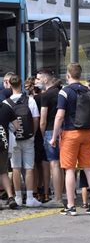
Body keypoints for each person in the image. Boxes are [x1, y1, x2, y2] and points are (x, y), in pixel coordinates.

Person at [50, 63, 90, 216]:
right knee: (88, 168)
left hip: (70, 133)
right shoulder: (88, 90)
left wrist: (53, 137)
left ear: (68, 75)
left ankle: (71, 206)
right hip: (87, 133)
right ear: (80, 75)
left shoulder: (64, 92)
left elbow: (60, 116)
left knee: (70, 169)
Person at [3, 75, 42, 207]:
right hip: (28, 137)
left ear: (9, 85)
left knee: (15, 168)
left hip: (13, 139)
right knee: (29, 167)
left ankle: (18, 197)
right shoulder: (30, 100)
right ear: (20, 84)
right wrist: (33, 133)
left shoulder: (6, 102)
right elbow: (36, 119)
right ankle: (30, 198)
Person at [38, 69, 64, 208]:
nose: (38, 81)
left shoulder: (46, 95)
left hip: (49, 130)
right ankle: (62, 193)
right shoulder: (60, 92)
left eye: (39, 78)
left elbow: (43, 119)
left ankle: (58, 197)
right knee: (62, 165)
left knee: (54, 164)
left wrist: (41, 135)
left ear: (45, 80)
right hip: (63, 130)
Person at [25, 76, 50, 203]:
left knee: (34, 164)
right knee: (44, 164)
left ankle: (35, 191)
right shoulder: (46, 97)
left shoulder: (31, 100)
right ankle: (45, 192)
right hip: (45, 132)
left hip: (35, 133)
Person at [0, 95, 19, 209]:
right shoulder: (6, 108)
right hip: (3, 144)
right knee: (3, 172)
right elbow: (17, 126)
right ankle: (11, 197)